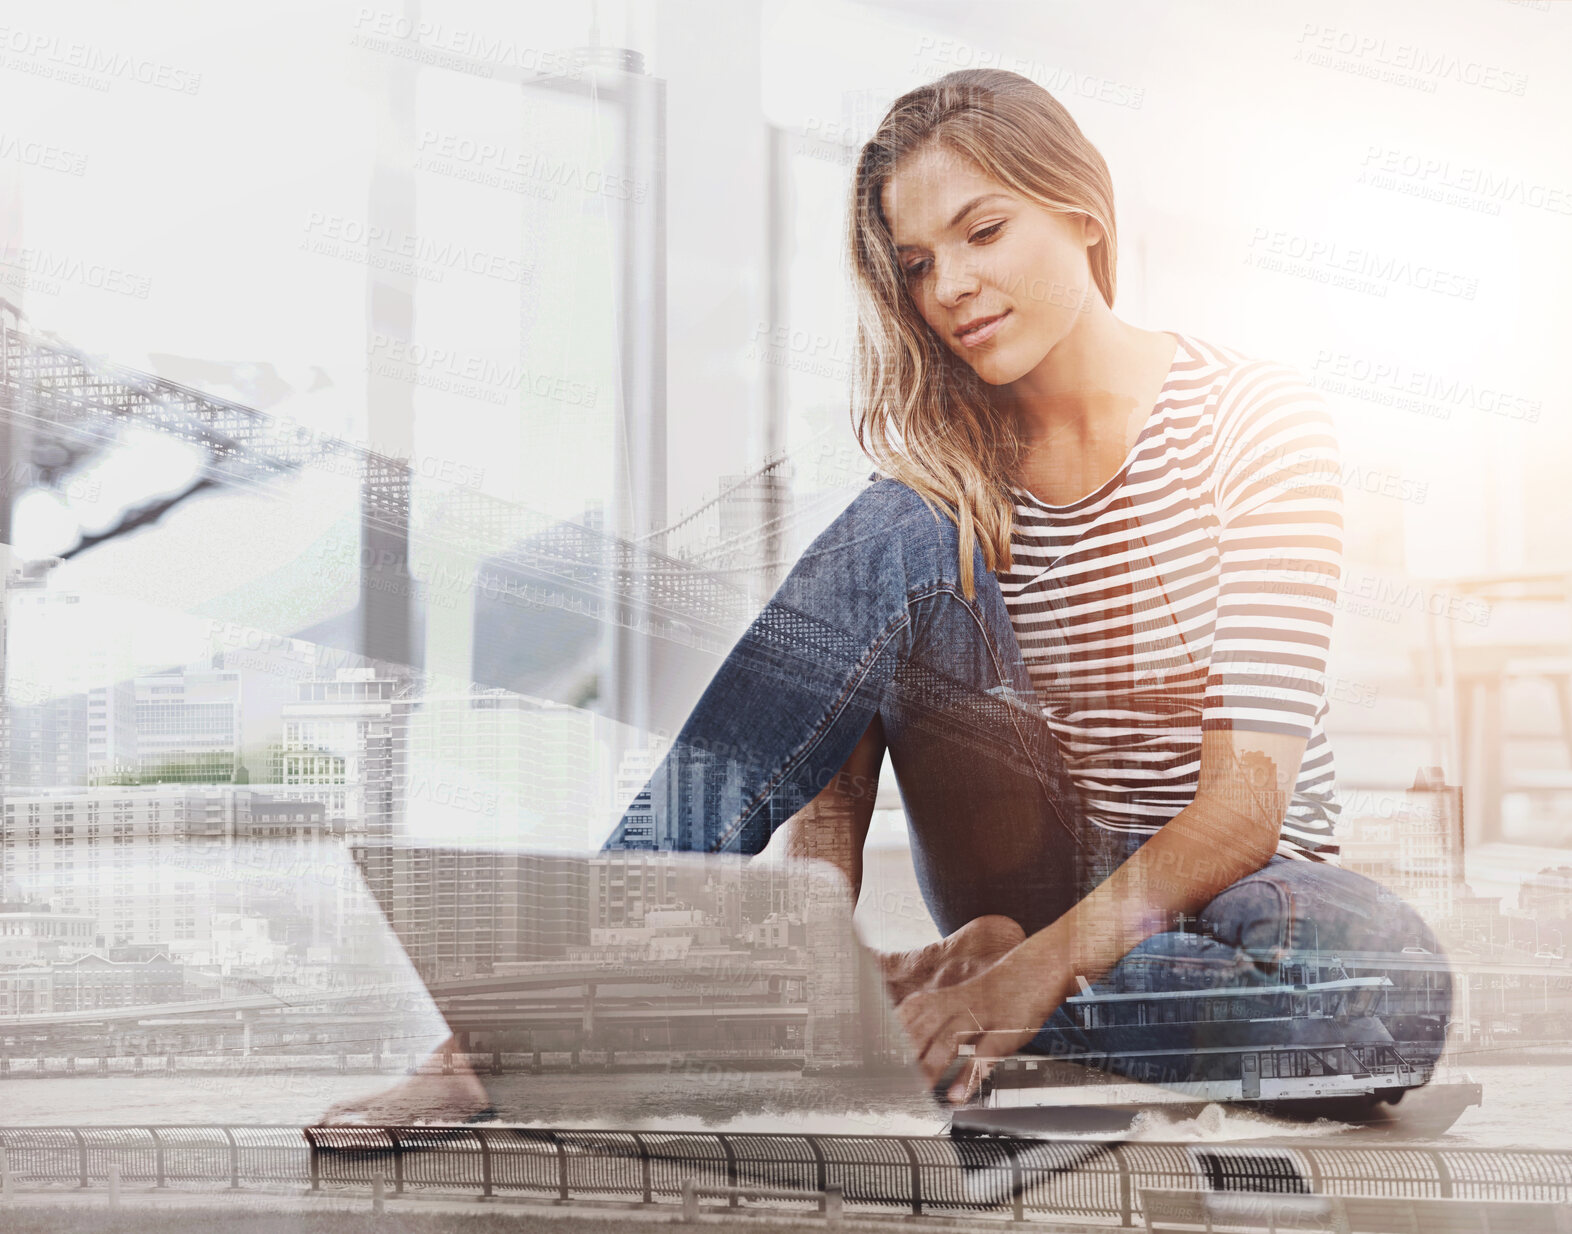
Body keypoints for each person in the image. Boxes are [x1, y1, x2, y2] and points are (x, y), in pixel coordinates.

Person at [604, 68, 1449, 1104]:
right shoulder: (933, 476)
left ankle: (984, 985)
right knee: (897, 519)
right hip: (1025, 858)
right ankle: (571, 972)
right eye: (917, 264)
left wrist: (1029, 971)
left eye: (983, 231)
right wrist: (814, 952)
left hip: (1240, 884)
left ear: (1082, 212)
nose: (948, 285)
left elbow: (1242, 809)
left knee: (1386, 993)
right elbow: (836, 764)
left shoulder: (1256, 420)